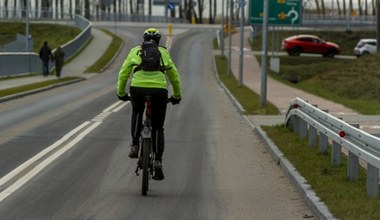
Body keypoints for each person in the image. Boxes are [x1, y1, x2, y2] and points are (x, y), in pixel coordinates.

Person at [117, 28, 182, 181]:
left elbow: (124, 72)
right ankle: (158, 161)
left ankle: (134, 144)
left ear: (143, 39)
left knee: (137, 111)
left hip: (137, 89)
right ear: (158, 41)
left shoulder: (135, 51)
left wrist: (121, 93)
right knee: (158, 127)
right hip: (159, 91)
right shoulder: (163, 53)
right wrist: (177, 96)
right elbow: (174, 76)